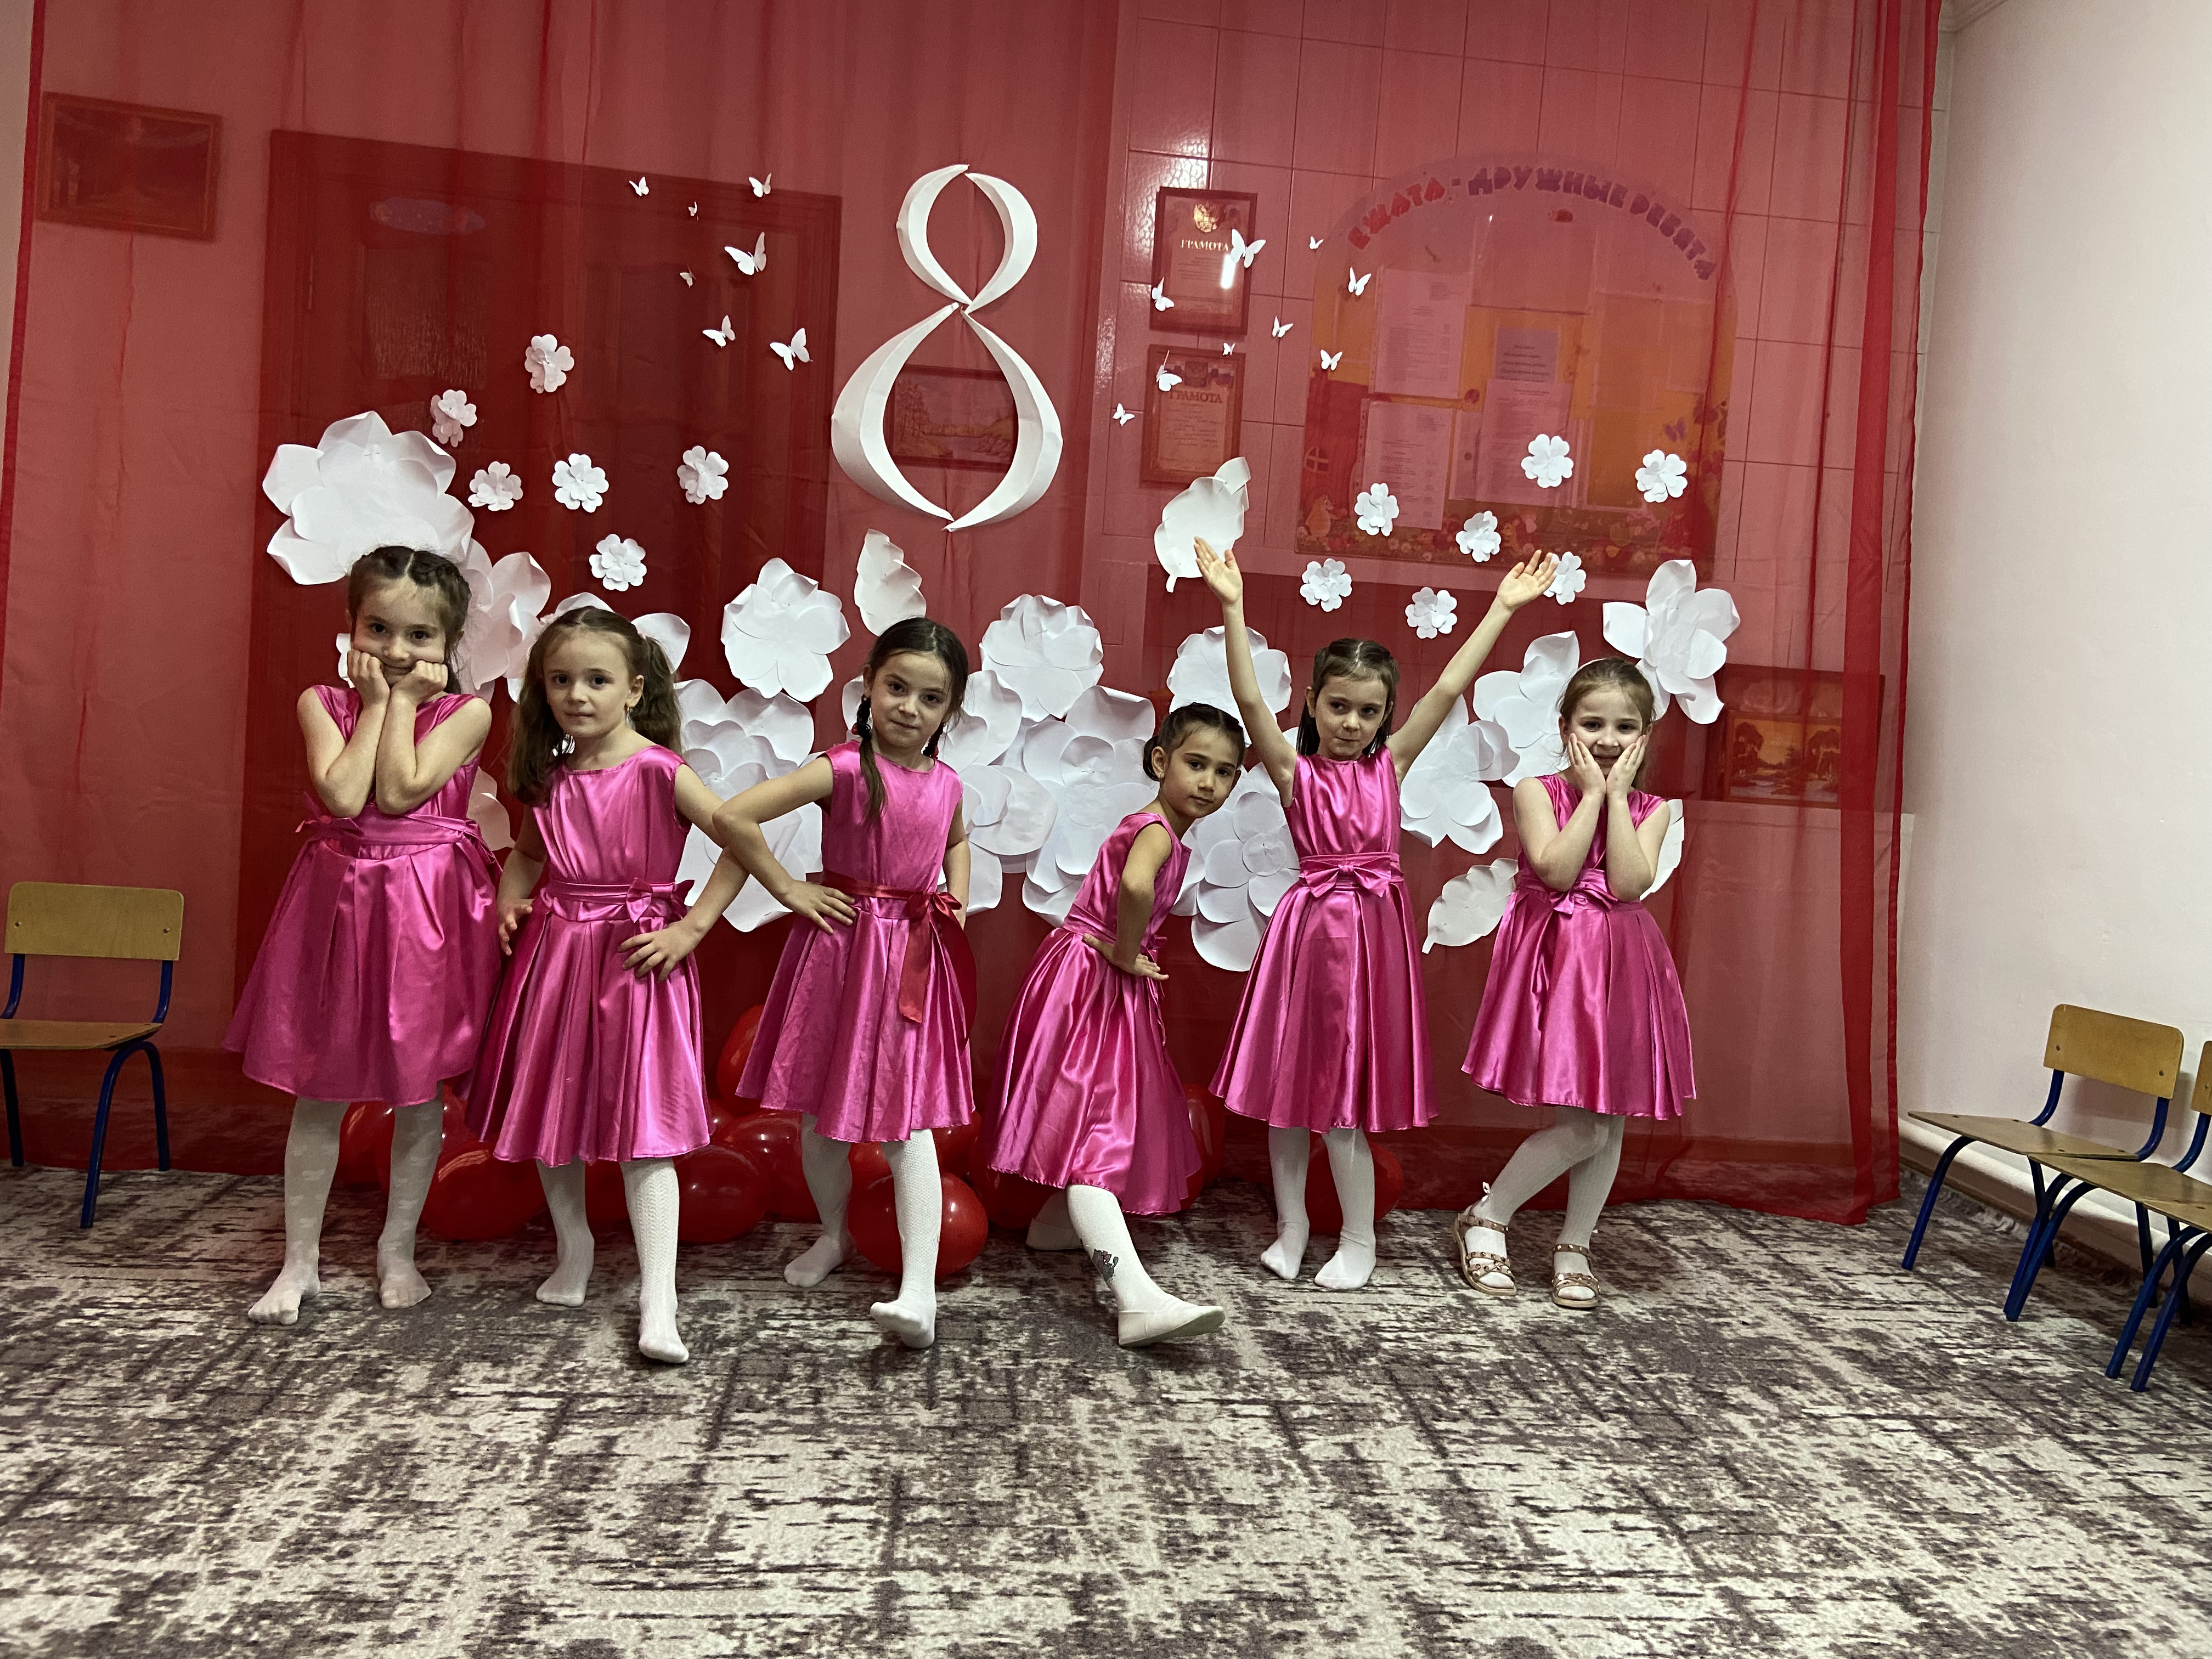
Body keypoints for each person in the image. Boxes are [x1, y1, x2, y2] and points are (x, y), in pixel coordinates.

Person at [1194, 537, 1558, 1289]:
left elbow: (1448, 687)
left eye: (1368, 711)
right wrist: (1232, 606)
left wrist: (1501, 608)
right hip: (1306, 938)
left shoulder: (1391, 765)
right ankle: (1293, 1226)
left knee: (1342, 1108)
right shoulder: (1294, 771)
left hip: (1367, 941)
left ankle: (1359, 1240)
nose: (1352, 723)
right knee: (1286, 1100)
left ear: (1387, 714)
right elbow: (1251, 702)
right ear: (1312, 704)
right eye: (1338, 706)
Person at [464, 606, 747, 1364]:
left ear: (635, 689)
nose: (577, 695)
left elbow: (741, 840)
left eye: (596, 679)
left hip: (635, 960)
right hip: (557, 955)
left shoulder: (659, 770)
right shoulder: (553, 778)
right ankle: (576, 1248)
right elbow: (529, 855)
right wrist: (510, 898)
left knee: (643, 1129)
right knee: (549, 1111)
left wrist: (692, 928)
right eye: (561, 680)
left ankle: (660, 1297)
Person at [230, 546, 498, 1327]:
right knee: (319, 1085)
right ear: (351, 626)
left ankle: (396, 1250)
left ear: (448, 645)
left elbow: (404, 789)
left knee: (418, 1092)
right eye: (378, 628)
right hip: (339, 905)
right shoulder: (322, 702)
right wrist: (379, 704)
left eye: (419, 636)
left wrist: (404, 702)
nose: (396, 650)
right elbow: (347, 796)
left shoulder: (469, 713)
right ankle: (300, 1261)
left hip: (424, 914)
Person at [716, 617, 975, 1351]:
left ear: (949, 711)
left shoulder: (949, 784)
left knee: (908, 1124)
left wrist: (954, 897)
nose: (909, 708)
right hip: (837, 952)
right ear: (868, 686)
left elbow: (958, 841)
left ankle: (919, 1291)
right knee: (818, 1115)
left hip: (910, 959)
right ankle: (835, 1234)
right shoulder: (843, 769)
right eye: (897, 687)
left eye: (931, 698)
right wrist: (788, 889)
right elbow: (734, 816)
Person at [982, 704, 1247, 1346]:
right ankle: (1134, 1299)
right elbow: (1133, 887)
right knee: (1094, 1140)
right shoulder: (1155, 830)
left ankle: (1053, 1227)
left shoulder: (1168, 834)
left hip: (1089, 979)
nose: (1209, 782)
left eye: (1225, 772)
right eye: (1196, 764)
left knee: (1093, 1122)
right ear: (1160, 761)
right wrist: (1126, 953)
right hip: (1092, 983)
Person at [1453, 657, 1695, 1308]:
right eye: (1592, 724)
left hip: (1622, 962)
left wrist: (1616, 798)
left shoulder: (1653, 809)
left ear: (1645, 734)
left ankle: (1575, 1244)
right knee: (1583, 1126)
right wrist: (1591, 795)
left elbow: (1628, 884)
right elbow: (1558, 872)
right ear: (1566, 728)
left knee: (1609, 1121)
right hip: (1559, 962)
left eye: (1625, 726)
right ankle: (1488, 1216)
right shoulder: (1536, 790)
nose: (1608, 739)